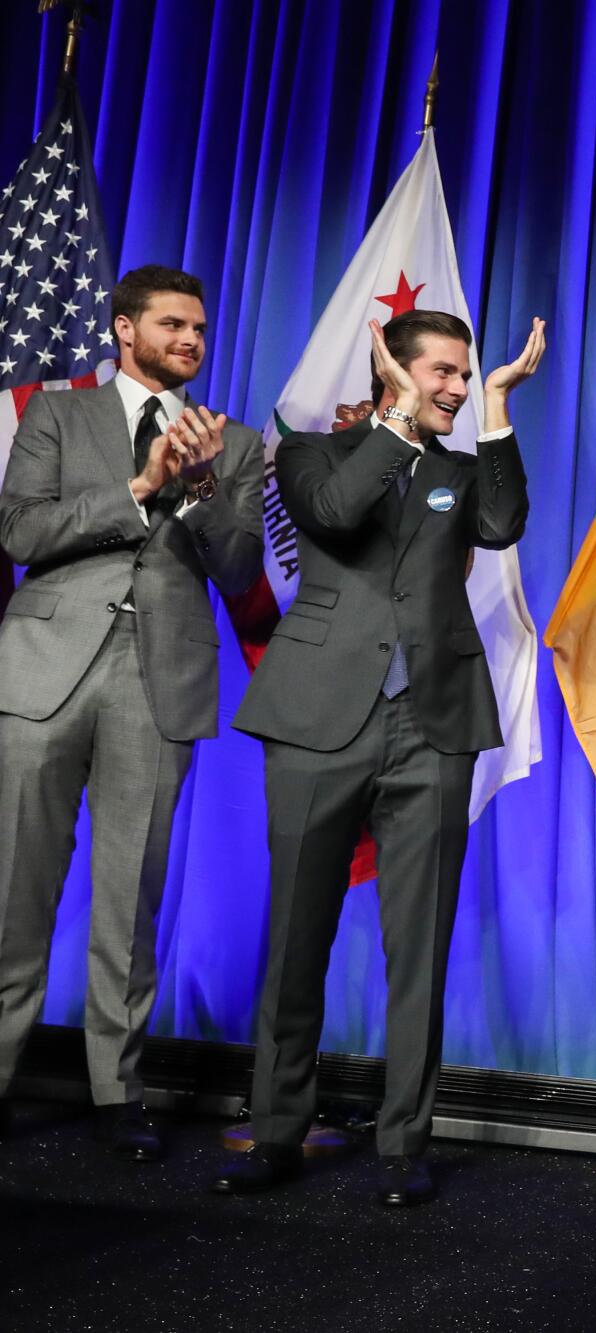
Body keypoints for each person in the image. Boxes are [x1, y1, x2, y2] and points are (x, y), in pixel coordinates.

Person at [213, 309, 544, 1206]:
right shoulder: (313, 453)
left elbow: (505, 522)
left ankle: (405, 1141)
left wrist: (502, 410)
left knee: (419, 941)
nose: (458, 386)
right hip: (321, 713)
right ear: (394, 371)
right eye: (443, 372)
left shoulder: (461, 466)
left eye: (465, 374)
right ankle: (276, 1131)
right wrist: (395, 419)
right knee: (295, 937)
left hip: (432, 721)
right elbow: (335, 511)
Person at [0, 265, 263, 1158]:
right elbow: (20, 531)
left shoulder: (235, 441)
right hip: (43, 670)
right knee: (13, 890)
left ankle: (119, 1093)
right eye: (173, 324)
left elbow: (235, 571)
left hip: (160, 677)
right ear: (123, 328)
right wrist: (143, 485)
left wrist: (198, 490)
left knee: (130, 896)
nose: (191, 339)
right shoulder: (57, 416)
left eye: (199, 327)